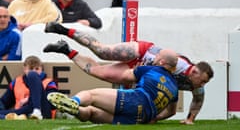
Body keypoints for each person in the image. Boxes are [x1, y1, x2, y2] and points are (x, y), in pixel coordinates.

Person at [44, 22, 214, 124]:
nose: (202, 85)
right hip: (142, 53)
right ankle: (64, 30)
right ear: (195, 72)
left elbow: (198, 100)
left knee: (98, 72)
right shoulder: (179, 65)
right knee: (102, 51)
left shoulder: (195, 83)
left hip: (144, 73)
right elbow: (164, 60)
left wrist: (190, 119)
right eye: (202, 81)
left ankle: (66, 50)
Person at [45, 45, 179, 124]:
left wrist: (136, 70)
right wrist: (155, 118)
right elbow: (171, 111)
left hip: (134, 100)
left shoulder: (150, 69)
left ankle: (74, 102)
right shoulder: (174, 87)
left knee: (91, 95)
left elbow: (125, 76)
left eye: (157, 57)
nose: (153, 58)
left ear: (162, 62)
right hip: (142, 117)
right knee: (92, 113)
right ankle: (76, 110)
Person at [0, 55, 58, 120]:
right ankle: (13, 118)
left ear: (41, 69)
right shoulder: (17, 82)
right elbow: (4, 101)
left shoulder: (48, 82)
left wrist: (28, 99)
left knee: (32, 75)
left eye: (37, 69)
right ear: (24, 69)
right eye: (31, 69)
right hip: (22, 111)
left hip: (43, 112)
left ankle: (36, 111)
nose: (34, 71)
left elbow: (52, 100)